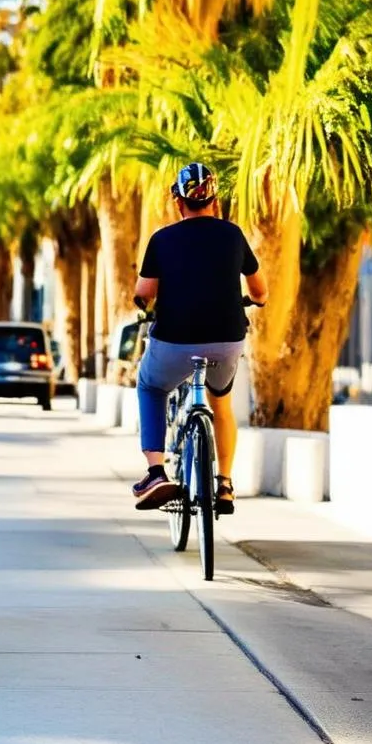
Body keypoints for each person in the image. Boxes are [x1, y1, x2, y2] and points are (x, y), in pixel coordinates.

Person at [131, 162, 268, 514]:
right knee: (220, 401)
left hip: (174, 341)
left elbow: (144, 291)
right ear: (214, 200)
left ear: (178, 201)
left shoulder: (162, 239)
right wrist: (255, 301)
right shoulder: (233, 235)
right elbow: (259, 290)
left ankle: (156, 472)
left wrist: (144, 304)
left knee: (150, 386)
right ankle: (224, 484)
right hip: (226, 340)